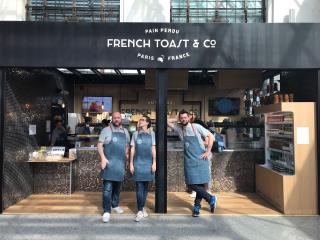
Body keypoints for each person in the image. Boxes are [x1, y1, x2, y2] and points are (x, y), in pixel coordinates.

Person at [168, 109, 217, 217]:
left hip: (200, 158)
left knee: (200, 184)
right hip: (189, 160)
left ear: (189, 118)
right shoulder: (179, 128)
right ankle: (210, 198)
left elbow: (211, 137)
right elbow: (166, 121)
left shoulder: (196, 127)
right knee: (191, 184)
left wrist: (208, 151)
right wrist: (176, 118)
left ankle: (196, 207)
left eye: (185, 117)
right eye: (181, 118)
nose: (183, 119)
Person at [97, 112, 130, 223]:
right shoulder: (106, 130)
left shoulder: (125, 132)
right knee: (107, 189)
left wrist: (126, 156)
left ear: (121, 119)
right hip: (109, 163)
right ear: (112, 119)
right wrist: (102, 158)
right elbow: (100, 144)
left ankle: (114, 205)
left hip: (120, 164)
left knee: (117, 186)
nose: (116, 119)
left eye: (118, 118)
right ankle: (106, 210)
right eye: (115, 118)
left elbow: (127, 146)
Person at [129, 115, 156, 222]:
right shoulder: (135, 134)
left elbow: (153, 149)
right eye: (140, 120)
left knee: (145, 188)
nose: (140, 121)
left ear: (147, 123)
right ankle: (140, 210)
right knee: (139, 188)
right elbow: (132, 149)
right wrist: (131, 163)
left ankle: (142, 208)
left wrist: (154, 163)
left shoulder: (152, 134)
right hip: (138, 163)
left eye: (143, 120)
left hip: (148, 163)